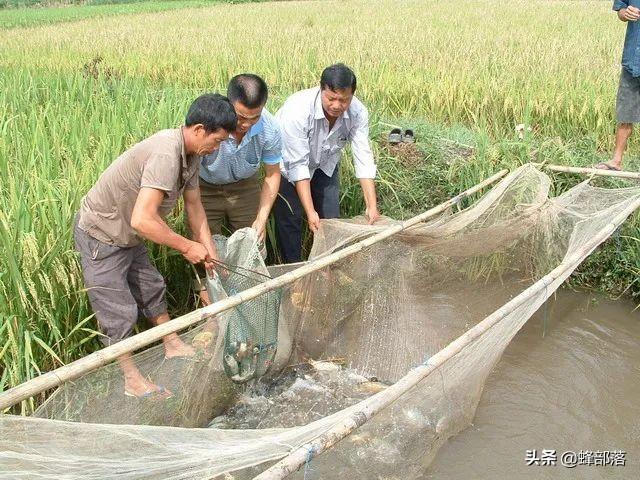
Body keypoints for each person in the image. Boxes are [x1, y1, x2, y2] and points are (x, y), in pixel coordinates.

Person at [74, 93, 236, 398]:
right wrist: (187, 247)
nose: (217, 148)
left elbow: (194, 206)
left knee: (151, 286)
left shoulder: (193, 154)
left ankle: (171, 342)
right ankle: (131, 379)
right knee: (118, 310)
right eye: (217, 141)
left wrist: (210, 253)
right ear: (199, 129)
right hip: (103, 233)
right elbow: (142, 220)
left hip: (130, 234)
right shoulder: (166, 153)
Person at [274, 63, 380, 263]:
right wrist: (310, 211)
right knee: (291, 219)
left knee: (331, 219)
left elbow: (363, 156)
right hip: (288, 168)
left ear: (352, 95)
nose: (337, 105)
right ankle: (293, 271)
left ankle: (330, 268)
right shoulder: (297, 110)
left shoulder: (358, 112)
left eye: (344, 100)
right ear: (321, 89)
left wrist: (371, 205)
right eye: (331, 98)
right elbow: (298, 165)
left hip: (325, 165)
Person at [196, 74, 282, 304]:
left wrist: (262, 219)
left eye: (254, 118)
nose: (245, 124)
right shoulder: (210, 124)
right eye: (241, 116)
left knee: (252, 244)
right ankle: (208, 300)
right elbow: (190, 173)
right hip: (205, 188)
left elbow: (272, 175)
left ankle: (250, 299)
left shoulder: (270, 130)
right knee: (206, 248)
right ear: (229, 103)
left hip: (245, 187)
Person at [598, 1, 640, 171]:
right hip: (633, 58)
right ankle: (616, 161)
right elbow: (621, 11)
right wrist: (625, 13)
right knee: (625, 112)